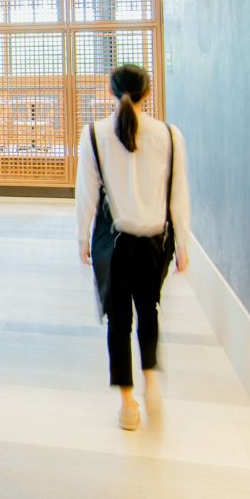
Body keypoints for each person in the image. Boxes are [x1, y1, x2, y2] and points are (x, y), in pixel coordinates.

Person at [75, 64, 191, 432]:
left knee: (118, 320)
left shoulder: (94, 134)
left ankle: (128, 403)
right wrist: (184, 244)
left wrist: (82, 236)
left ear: (111, 92)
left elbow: (87, 193)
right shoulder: (170, 135)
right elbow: (179, 195)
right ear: (148, 93)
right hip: (155, 242)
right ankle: (151, 382)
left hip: (113, 242)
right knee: (149, 309)